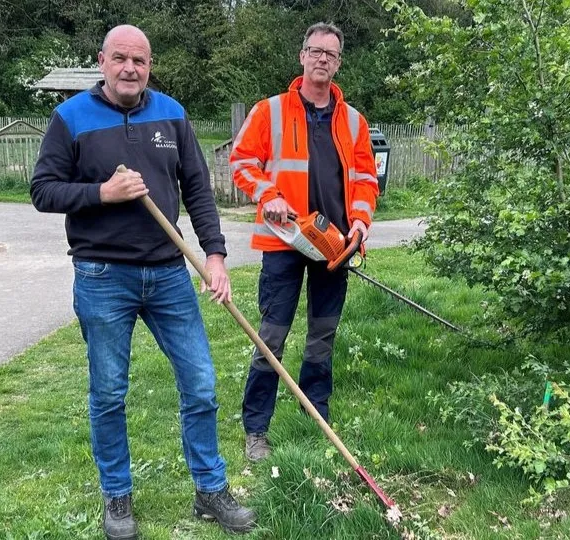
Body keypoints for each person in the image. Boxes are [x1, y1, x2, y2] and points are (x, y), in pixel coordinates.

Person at [31, 24, 255, 540]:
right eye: (120, 59)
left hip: (169, 273)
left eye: (140, 60)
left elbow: (198, 187)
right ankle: (117, 498)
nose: (131, 68)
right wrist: (102, 193)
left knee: (200, 383)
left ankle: (209, 489)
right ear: (102, 61)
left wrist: (216, 255)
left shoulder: (172, 114)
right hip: (102, 275)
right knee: (109, 392)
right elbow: (43, 191)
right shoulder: (70, 119)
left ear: (149, 65)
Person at [229, 22, 380, 462]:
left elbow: (367, 179)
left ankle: (316, 413)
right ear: (302, 56)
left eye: (330, 55)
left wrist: (361, 223)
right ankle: (256, 428)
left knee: (323, 334)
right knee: (271, 337)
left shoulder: (353, 121)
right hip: (284, 241)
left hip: (334, 245)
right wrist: (268, 195)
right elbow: (241, 161)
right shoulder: (270, 111)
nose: (322, 60)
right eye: (315, 51)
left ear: (338, 63)